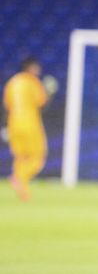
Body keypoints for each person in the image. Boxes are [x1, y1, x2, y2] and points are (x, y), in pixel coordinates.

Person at [4, 57, 56, 201]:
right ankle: (18, 178)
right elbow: (42, 103)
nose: (38, 71)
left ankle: (23, 191)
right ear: (31, 67)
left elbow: (7, 106)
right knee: (37, 158)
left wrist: (5, 126)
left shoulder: (12, 82)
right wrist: (49, 91)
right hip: (30, 124)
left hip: (13, 124)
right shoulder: (32, 82)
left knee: (21, 157)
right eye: (36, 67)